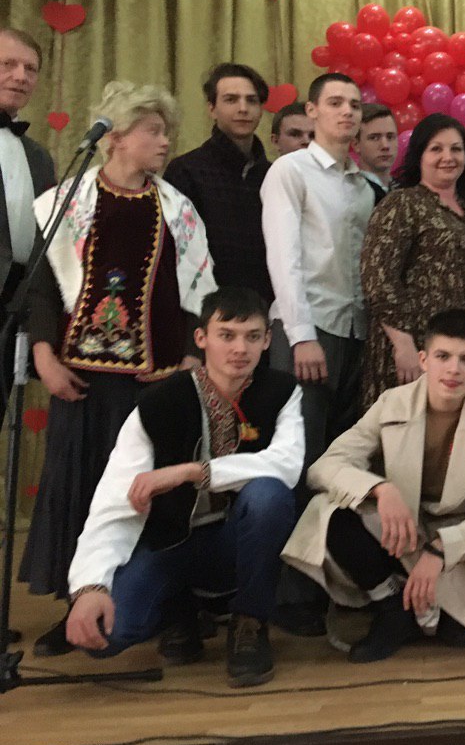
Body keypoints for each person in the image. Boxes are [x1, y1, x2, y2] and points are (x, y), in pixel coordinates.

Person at [21, 80, 215, 656]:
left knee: (157, 495)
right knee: (81, 490)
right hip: (84, 380)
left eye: (167, 131)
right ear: (117, 137)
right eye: (153, 131)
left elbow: (198, 288)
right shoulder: (68, 202)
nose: (165, 141)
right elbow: (42, 289)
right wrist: (43, 355)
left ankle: (173, 613)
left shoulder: (177, 209)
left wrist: (192, 355)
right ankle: (78, 607)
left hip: (157, 381)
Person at [63, 287, 303, 687]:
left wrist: (194, 472)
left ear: (267, 341)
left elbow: (287, 465)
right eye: (226, 335)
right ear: (201, 338)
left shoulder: (282, 391)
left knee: (270, 495)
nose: (240, 348)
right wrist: (90, 585)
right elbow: (115, 499)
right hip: (171, 545)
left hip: (234, 543)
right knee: (105, 635)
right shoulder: (159, 403)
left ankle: (249, 621)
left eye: (252, 336)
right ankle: (178, 611)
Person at [282, 309, 465, 662]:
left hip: (460, 533)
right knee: (328, 513)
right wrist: (381, 490)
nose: (454, 369)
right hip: (402, 528)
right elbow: (324, 467)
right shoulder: (392, 402)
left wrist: (442, 549)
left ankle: (449, 611)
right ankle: (392, 604)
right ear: (423, 360)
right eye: (443, 356)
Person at [260, 72, 373, 635]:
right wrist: (301, 333)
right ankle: (282, 596)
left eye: (354, 104)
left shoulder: (363, 185)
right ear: (313, 110)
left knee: (336, 466)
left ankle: (325, 583)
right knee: (296, 464)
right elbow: (284, 259)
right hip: (308, 332)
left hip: (353, 333)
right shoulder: (290, 171)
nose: (347, 111)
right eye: (335, 102)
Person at [362, 113, 465, 406]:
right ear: (419, 156)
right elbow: (378, 279)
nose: (448, 157)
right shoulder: (402, 204)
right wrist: (404, 345)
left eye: (456, 149)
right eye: (436, 149)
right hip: (418, 350)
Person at [163, 62, 273, 303]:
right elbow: (177, 252)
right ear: (212, 109)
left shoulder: (273, 174)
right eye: (231, 100)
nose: (243, 109)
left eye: (252, 100)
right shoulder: (185, 170)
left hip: (266, 305)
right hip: (206, 307)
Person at [0, 26, 57, 406]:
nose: (21, 76)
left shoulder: (39, 156)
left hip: (13, 309)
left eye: (30, 69)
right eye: (8, 64)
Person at [354, 103, 397, 204]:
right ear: (356, 144)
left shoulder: (406, 190)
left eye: (390, 137)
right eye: (374, 138)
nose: (385, 145)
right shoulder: (350, 193)